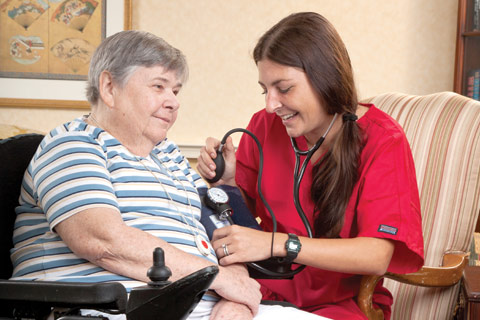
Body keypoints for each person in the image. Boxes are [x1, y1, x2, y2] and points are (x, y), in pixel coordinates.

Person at [10, 30, 326, 320]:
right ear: (109, 87)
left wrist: (235, 304)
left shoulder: (170, 158)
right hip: (112, 311)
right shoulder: (74, 144)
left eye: (175, 90)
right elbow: (102, 240)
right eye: (159, 86)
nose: (173, 102)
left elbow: (224, 245)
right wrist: (219, 279)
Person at [197, 12, 424, 320]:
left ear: (325, 78)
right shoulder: (263, 127)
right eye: (265, 90)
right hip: (260, 291)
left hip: (340, 305)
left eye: (284, 88)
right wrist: (226, 184)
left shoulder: (384, 141)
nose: (270, 104)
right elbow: (241, 227)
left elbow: (377, 255)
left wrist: (278, 244)